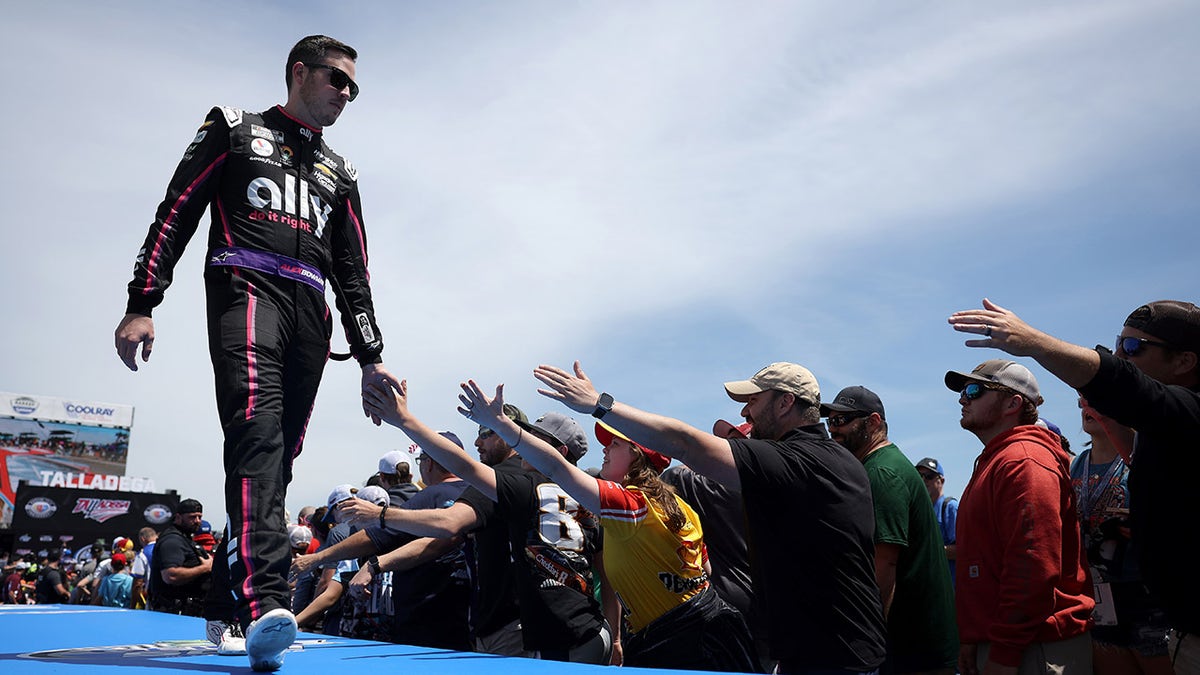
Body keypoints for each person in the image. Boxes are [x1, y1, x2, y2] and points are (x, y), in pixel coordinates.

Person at [111, 34, 399, 672]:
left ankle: (221, 608)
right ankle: (265, 603)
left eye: (354, 87)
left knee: (278, 460)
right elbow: (176, 212)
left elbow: (355, 273)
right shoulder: (233, 128)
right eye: (336, 79)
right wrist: (142, 302)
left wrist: (371, 356)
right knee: (257, 439)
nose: (346, 94)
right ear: (300, 72)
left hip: (311, 316)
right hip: (246, 292)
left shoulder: (340, 173)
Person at [534, 360, 887, 674]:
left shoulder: (796, 459)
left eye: (753, 401)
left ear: (785, 402)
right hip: (829, 647)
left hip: (829, 657)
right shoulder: (832, 460)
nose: (746, 414)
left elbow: (685, 443)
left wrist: (600, 405)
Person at [949, 298, 1199, 673]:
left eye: (1133, 348)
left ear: (1184, 361)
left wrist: (1032, 342)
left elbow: (1032, 563)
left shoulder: (1189, 410)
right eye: (1119, 344)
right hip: (1135, 617)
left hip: (1146, 619)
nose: (1121, 355)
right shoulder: (1151, 435)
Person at [351, 381, 612, 664]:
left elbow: (460, 478)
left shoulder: (522, 485)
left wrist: (405, 421)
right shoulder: (593, 497)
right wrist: (618, 639)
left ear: (558, 452)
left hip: (552, 640)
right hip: (594, 632)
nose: (523, 443)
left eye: (533, 440)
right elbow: (608, 575)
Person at [943, 358, 1093, 675]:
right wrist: (972, 636)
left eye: (974, 390)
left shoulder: (1024, 461)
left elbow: (1032, 567)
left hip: (1031, 649)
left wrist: (1004, 654)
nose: (962, 398)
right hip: (1006, 643)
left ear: (1013, 403)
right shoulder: (999, 459)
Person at [822, 386, 958, 674]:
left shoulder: (882, 473)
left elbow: (884, 564)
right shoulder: (880, 466)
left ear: (873, 422)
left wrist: (865, 642)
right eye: (830, 421)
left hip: (914, 651)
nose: (833, 429)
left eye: (842, 421)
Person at [663, 419, 772, 672]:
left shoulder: (694, 482)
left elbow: (671, 478)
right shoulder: (780, 488)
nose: (725, 447)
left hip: (718, 612)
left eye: (734, 443)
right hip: (769, 616)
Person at [1072, 398, 1172, 674]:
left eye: (1097, 399)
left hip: (1147, 594)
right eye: (1082, 401)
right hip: (1100, 597)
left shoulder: (1140, 459)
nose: (1087, 407)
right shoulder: (1076, 465)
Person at [150, 499, 212, 618]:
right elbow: (170, 575)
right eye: (192, 517)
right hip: (174, 613)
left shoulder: (185, 539)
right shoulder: (172, 540)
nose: (197, 521)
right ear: (178, 517)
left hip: (189, 611)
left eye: (200, 517)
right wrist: (205, 568)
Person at [915, 457, 958, 585]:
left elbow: (961, 550)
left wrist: (928, 550)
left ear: (942, 480)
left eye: (929, 476)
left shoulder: (950, 507)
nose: (923, 480)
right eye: (919, 476)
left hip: (949, 589)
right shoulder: (921, 510)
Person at [131, 527, 158, 609]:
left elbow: (137, 584)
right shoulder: (167, 548)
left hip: (153, 599)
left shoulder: (143, 553)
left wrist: (134, 605)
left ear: (142, 539)